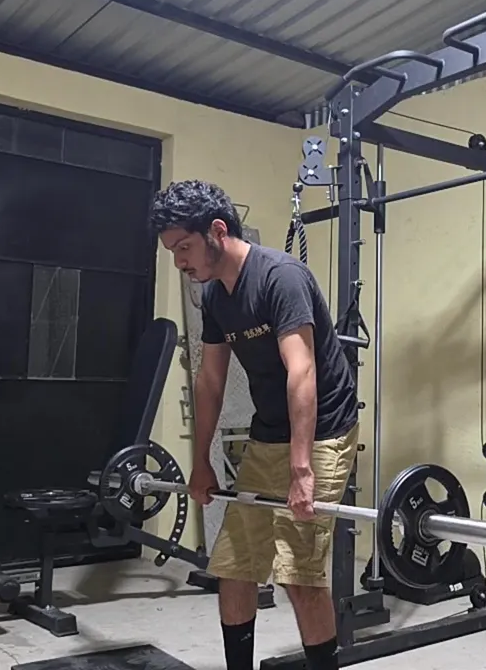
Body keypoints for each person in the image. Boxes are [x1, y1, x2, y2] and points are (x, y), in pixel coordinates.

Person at [151, 179, 359, 670]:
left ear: (217, 231)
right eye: (172, 251)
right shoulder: (216, 297)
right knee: (234, 566)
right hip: (269, 429)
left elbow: (301, 372)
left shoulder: (280, 277)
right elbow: (210, 381)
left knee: (298, 574)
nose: (179, 262)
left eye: (184, 247)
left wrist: (302, 470)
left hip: (323, 428)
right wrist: (201, 462)